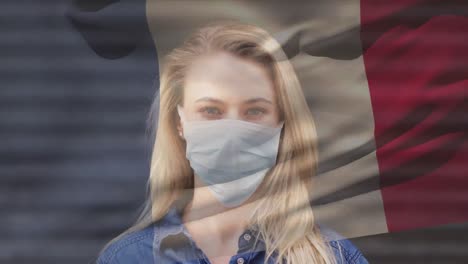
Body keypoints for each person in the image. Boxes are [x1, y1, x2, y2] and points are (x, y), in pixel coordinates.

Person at [96, 20, 369, 264]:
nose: (232, 132)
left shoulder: (332, 256)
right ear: (179, 122)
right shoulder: (128, 258)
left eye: (254, 111)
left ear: (281, 125)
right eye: (211, 111)